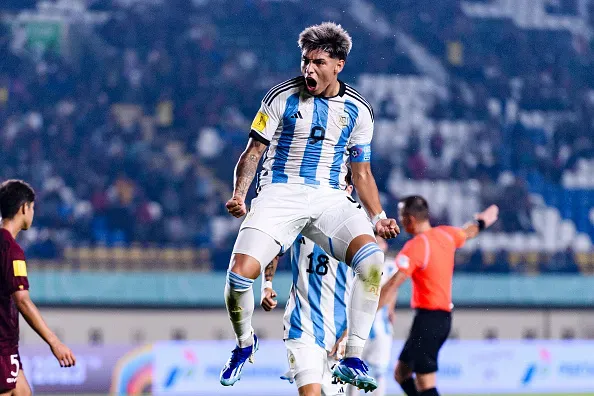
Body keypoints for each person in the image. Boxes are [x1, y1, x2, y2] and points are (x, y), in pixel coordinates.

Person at [220, 22, 399, 392]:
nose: (308, 69)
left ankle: (352, 355)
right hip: (279, 194)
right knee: (239, 277)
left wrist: (378, 217)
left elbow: (361, 174)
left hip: (330, 196)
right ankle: (243, 343)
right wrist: (240, 193)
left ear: (339, 65)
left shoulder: (358, 111)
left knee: (372, 261)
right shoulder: (279, 98)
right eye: (305, 61)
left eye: (318, 62)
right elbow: (252, 152)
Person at [378, 196, 499, 396]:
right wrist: (482, 222)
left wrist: (363, 315)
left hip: (429, 320)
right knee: (402, 373)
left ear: (410, 219)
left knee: (426, 383)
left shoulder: (416, 246)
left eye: (401, 217)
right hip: (439, 320)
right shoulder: (446, 234)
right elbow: (469, 232)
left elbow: (392, 284)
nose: (400, 222)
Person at [261, 175, 357, 396]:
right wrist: (266, 284)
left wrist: (350, 333)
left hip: (339, 331)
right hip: (302, 325)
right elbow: (275, 247)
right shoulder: (301, 216)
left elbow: (368, 287)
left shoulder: (357, 229)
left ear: (349, 189)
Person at [0, 180, 76, 396]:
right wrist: (54, 342)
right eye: (32, 208)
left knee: (23, 392)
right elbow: (22, 299)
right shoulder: (11, 250)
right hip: (2, 347)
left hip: (8, 348)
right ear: (24, 208)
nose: (32, 213)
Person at [346, 237, 396, 396]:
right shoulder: (357, 265)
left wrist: (391, 309)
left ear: (385, 245)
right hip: (357, 328)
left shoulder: (390, 266)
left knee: (380, 371)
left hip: (382, 328)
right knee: (353, 370)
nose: (377, 246)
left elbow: (393, 289)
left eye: (380, 242)